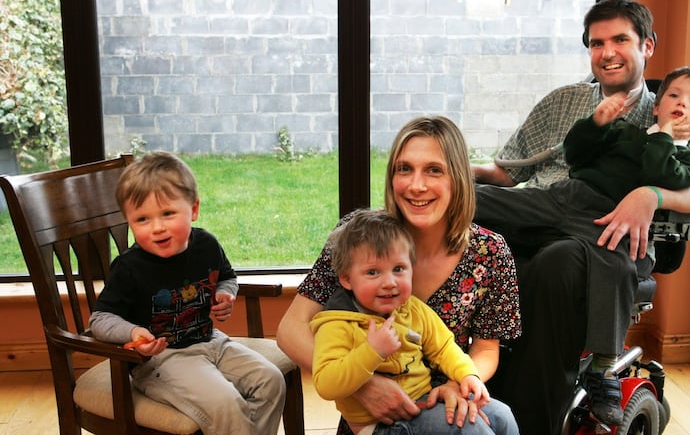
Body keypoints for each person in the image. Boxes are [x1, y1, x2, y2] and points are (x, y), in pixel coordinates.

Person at [472, 0, 690, 434]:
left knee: (556, 262)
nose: (607, 52)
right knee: (454, 218)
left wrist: (650, 194)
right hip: (545, 212)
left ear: (648, 47)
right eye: (597, 42)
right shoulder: (564, 101)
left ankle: (525, 422)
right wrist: (445, 171)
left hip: (600, 237)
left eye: (621, 39)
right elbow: (508, 171)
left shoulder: (673, 110)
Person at [277, 115, 521, 434]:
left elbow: (487, 349)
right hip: (373, 414)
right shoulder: (356, 239)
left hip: (435, 391)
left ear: (458, 177)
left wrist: (457, 383)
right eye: (404, 169)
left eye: (433, 170)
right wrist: (364, 385)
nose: (415, 185)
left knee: (502, 420)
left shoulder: (490, 251)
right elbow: (290, 329)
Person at [88, 151, 286, 435]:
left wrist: (226, 294)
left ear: (193, 210)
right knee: (225, 404)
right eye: (142, 219)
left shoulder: (206, 245)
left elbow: (227, 278)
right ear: (128, 220)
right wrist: (133, 333)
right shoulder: (129, 267)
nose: (157, 228)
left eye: (168, 213)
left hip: (212, 341)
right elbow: (100, 319)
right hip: (162, 361)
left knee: (271, 381)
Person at [310, 208, 518, 435]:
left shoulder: (413, 310)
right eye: (373, 272)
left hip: (423, 401)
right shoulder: (337, 323)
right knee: (468, 429)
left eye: (398, 269)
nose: (389, 282)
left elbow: (444, 347)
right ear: (347, 279)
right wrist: (372, 352)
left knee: (502, 416)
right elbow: (326, 384)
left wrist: (466, 375)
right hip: (380, 424)